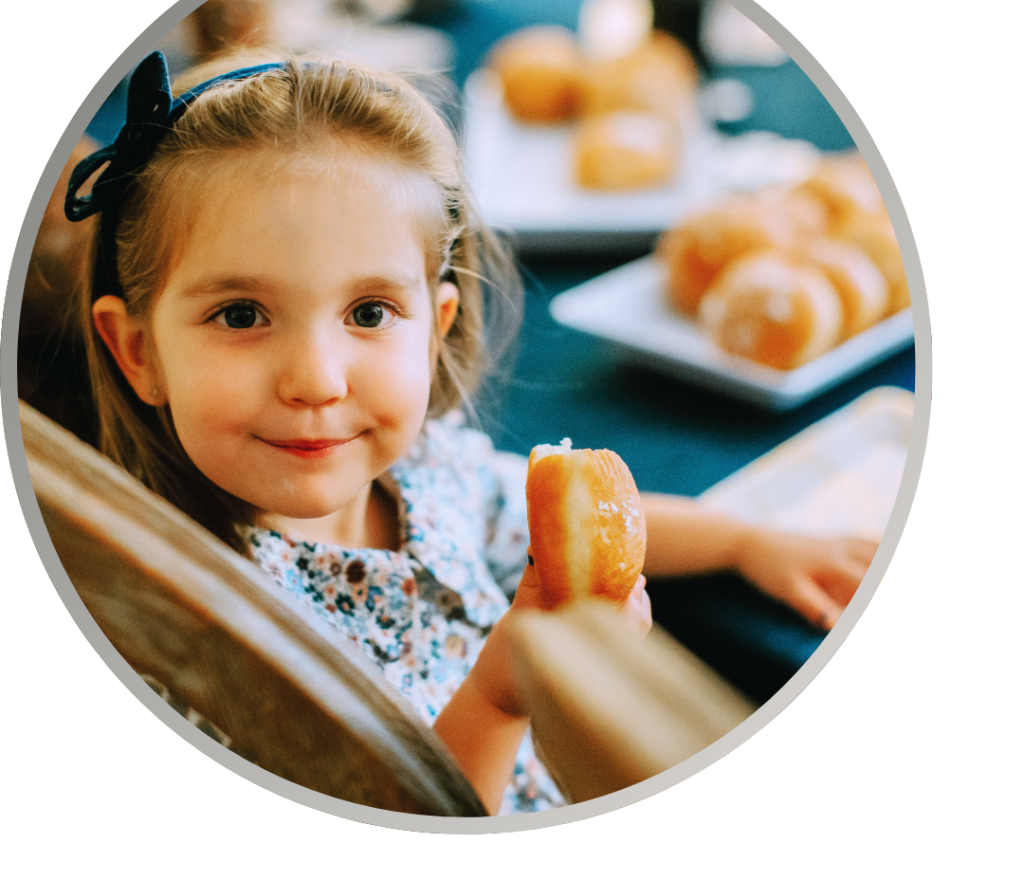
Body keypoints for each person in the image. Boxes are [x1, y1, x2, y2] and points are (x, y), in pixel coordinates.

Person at [65, 50, 878, 815]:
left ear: (435, 326)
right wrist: (499, 695)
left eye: (370, 313)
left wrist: (743, 544)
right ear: (139, 353)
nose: (316, 378)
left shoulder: (431, 469)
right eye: (241, 315)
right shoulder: (189, 647)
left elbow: (559, 528)